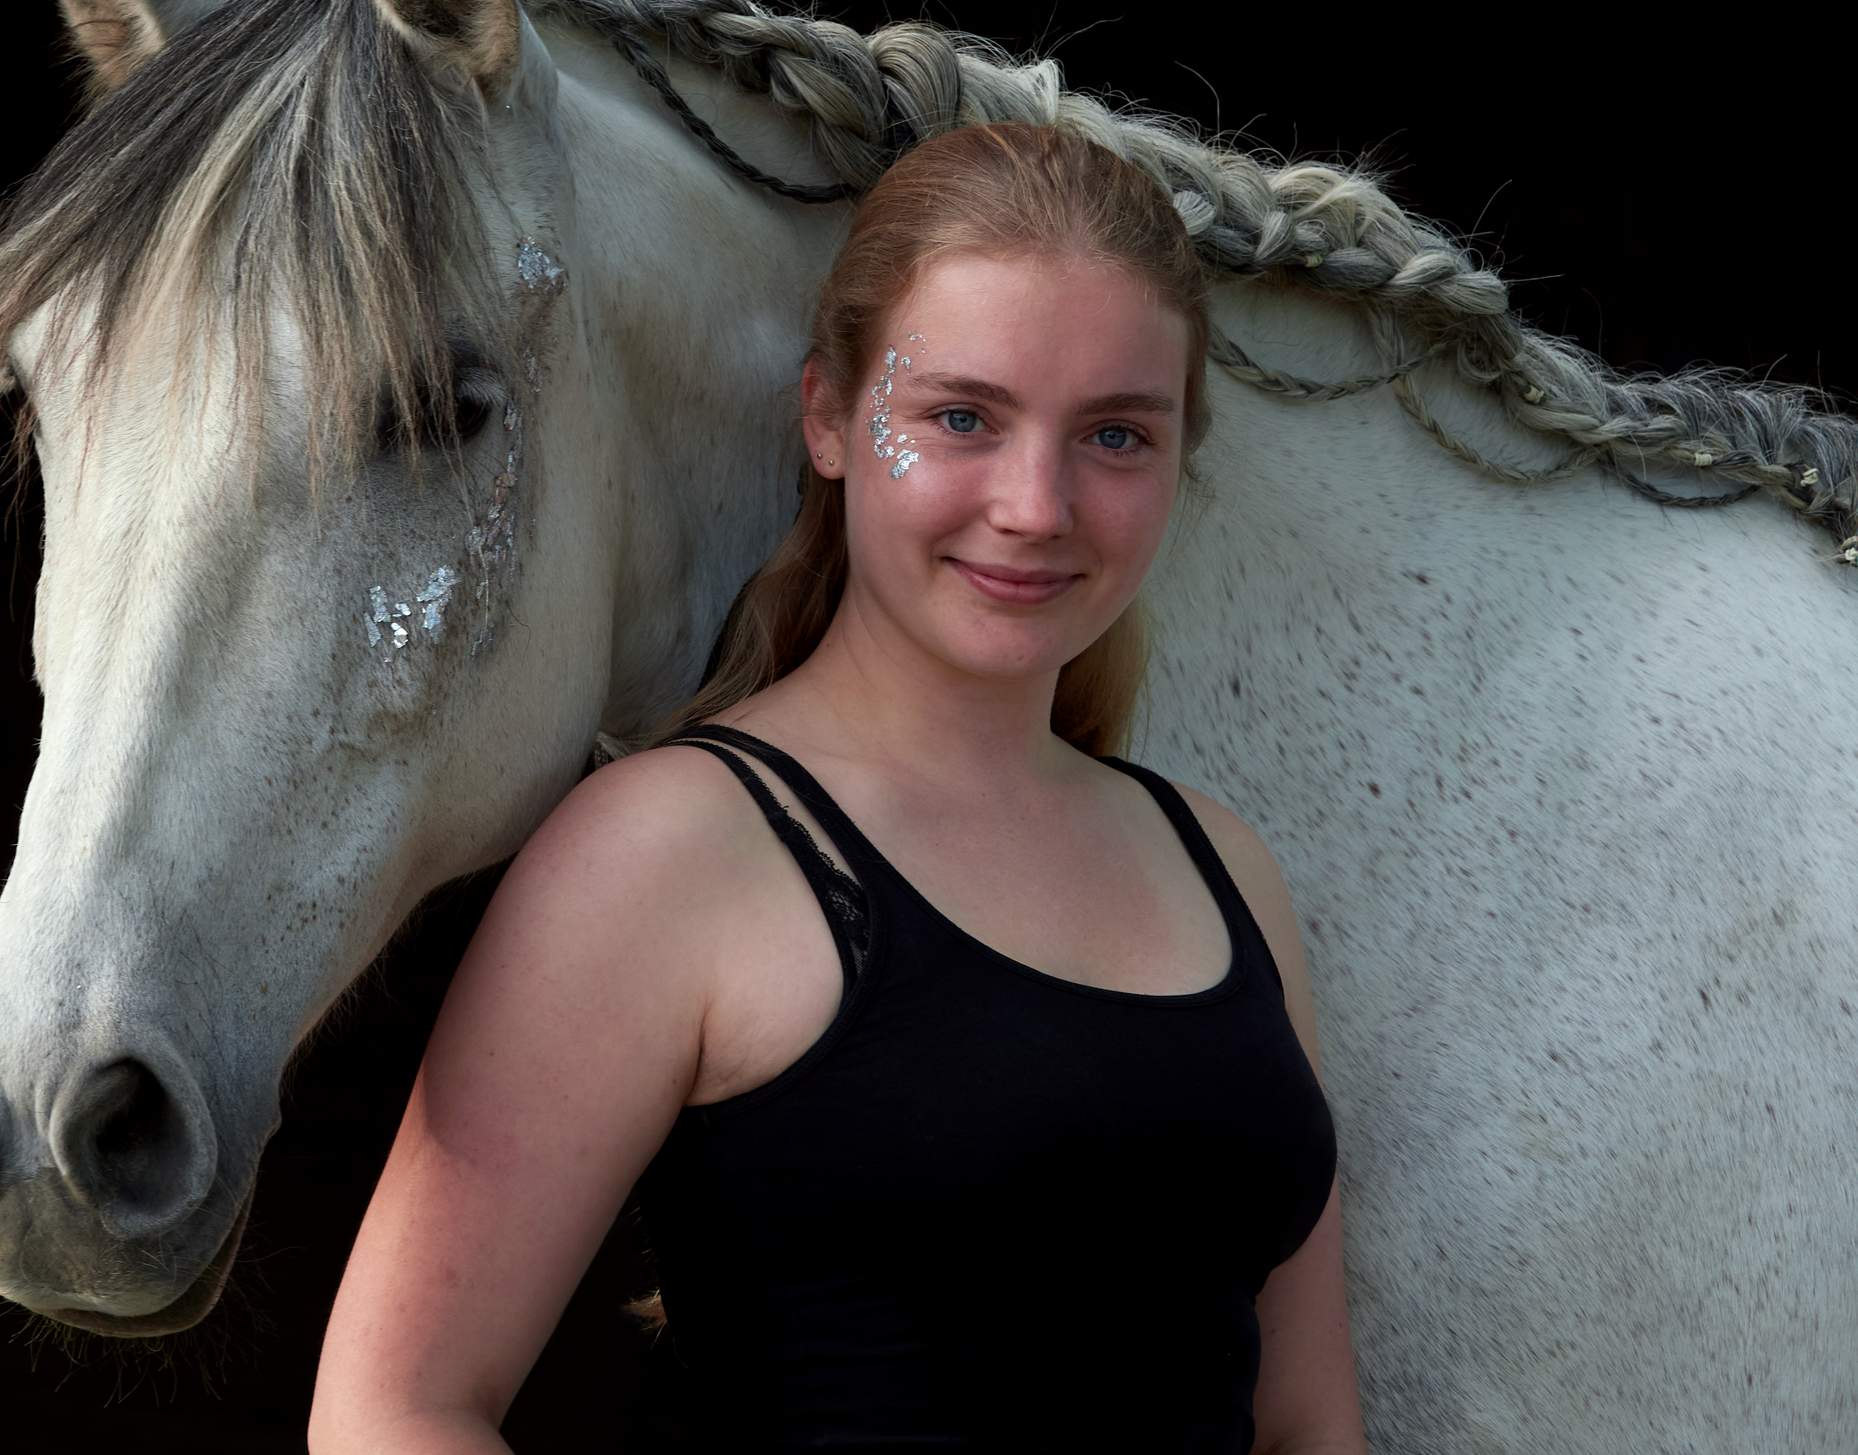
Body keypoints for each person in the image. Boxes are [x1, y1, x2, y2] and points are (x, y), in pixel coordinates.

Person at [312, 122, 1366, 1453]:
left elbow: (1310, 1421)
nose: (1038, 504)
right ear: (828, 415)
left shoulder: (1223, 867)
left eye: (1113, 434)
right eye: (963, 417)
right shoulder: (665, 853)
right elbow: (391, 1409)